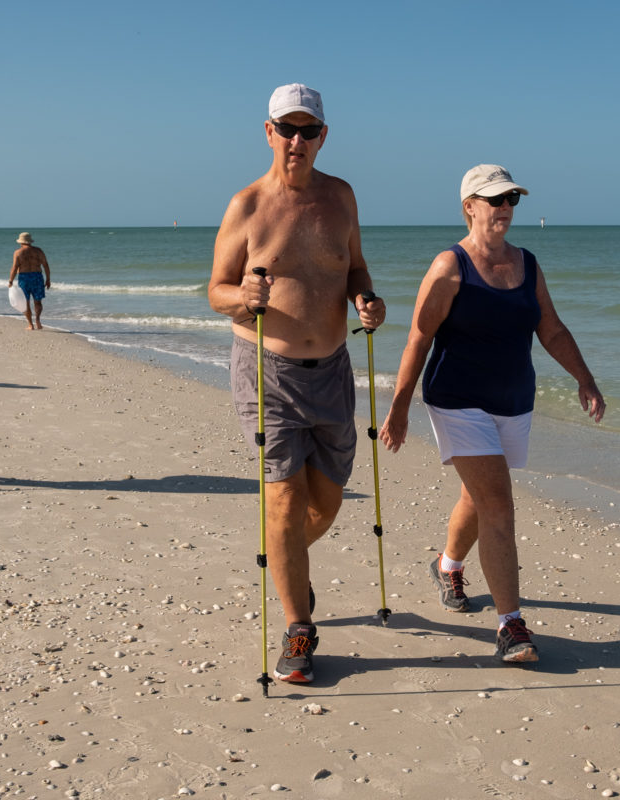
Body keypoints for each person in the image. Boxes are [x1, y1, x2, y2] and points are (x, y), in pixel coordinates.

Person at [379, 164, 605, 664]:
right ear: (469, 206)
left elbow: (552, 330)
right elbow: (419, 336)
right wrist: (398, 407)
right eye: (494, 198)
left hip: (513, 400)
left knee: (479, 497)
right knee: (499, 502)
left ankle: (446, 565)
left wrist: (584, 379)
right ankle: (511, 625)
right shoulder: (449, 266)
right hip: (457, 399)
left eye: (511, 199)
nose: (504, 207)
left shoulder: (527, 263)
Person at [208, 83, 385, 684]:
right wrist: (242, 297)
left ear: (323, 138)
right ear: (268, 132)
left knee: (327, 500)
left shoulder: (341, 198)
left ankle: (286, 560)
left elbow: (354, 265)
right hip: (267, 374)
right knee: (282, 500)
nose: (297, 141)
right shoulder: (247, 206)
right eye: (287, 129)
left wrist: (365, 297)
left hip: (333, 369)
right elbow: (215, 291)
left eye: (309, 131)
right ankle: (298, 625)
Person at [8, 232, 51, 330]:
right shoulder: (38, 251)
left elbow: (14, 268)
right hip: (37, 277)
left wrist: (10, 281)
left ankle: (30, 324)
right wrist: (48, 279)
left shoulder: (18, 253)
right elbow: (45, 265)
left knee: (25, 303)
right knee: (38, 302)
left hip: (24, 278)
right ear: (30, 241)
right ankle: (38, 321)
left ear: (20, 242)